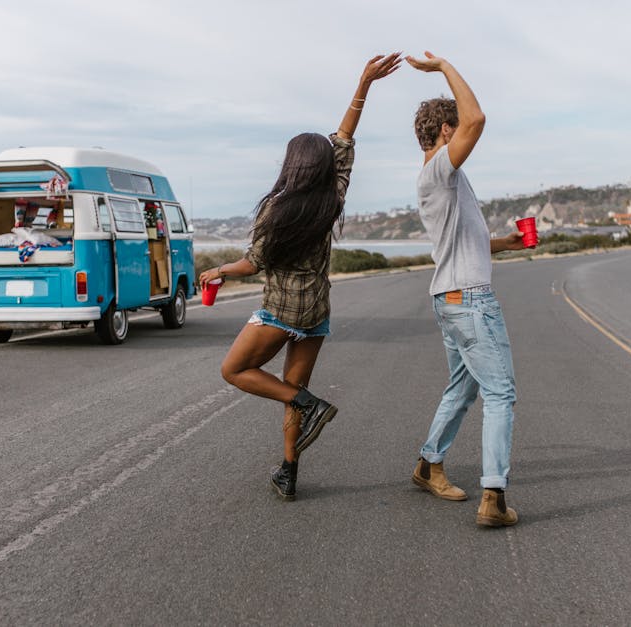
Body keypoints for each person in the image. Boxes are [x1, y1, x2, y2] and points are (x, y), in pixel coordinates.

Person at [198, 52, 403, 501]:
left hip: (280, 311)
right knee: (293, 385)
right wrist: (363, 85)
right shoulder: (332, 198)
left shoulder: (277, 207)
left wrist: (217, 269)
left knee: (235, 370)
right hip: (317, 312)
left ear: (293, 164)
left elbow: (254, 263)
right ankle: (288, 473)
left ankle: (308, 406)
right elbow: (345, 141)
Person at [405, 51, 531, 527]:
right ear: (444, 131)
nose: (463, 133)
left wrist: (506, 242)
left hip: (452, 297)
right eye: (454, 128)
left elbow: (464, 242)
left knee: (464, 387)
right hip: (470, 301)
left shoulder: (445, 180)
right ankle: (493, 498)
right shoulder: (440, 168)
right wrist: (444, 67)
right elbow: (476, 118)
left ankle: (428, 464)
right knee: (501, 393)